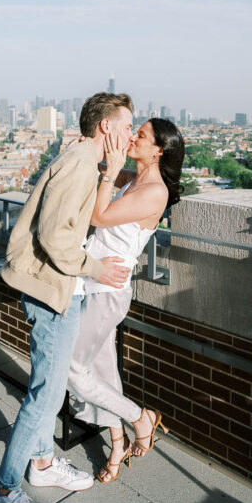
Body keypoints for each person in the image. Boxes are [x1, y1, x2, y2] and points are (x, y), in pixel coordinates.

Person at [0, 92, 135, 503]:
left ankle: (43, 463)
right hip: (53, 294)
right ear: (107, 128)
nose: (131, 134)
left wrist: (110, 172)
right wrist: (97, 268)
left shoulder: (82, 159)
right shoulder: (78, 163)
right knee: (44, 400)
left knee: (47, 393)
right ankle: (5, 489)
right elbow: (55, 236)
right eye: (128, 126)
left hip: (56, 289)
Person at [66, 117, 185, 482]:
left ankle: (139, 417)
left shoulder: (155, 190)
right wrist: (85, 150)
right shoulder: (134, 178)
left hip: (109, 292)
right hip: (92, 283)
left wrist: (109, 171)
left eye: (142, 135)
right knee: (103, 372)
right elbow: (93, 177)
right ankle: (117, 444)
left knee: (70, 367)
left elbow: (99, 215)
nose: (134, 137)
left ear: (158, 150)